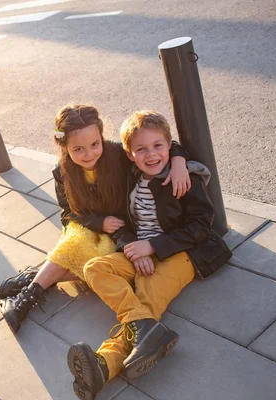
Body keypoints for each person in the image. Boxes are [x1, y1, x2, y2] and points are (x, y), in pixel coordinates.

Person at [67, 110, 232, 400]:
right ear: (130, 155)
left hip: (182, 254)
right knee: (94, 268)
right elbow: (121, 221)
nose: (151, 154)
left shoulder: (184, 179)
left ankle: (105, 364)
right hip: (142, 249)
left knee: (146, 293)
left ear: (169, 147)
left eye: (158, 146)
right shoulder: (130, 176)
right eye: (141, 149)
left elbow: (201, 228)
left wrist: (153, 247)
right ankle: (145, 328)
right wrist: (134, 246)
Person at [0, 105, 191, 333]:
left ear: (102, 137)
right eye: (78, 149)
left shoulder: (118, 155)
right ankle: (26, 299)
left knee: (97, 262)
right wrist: (99, 223)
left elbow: (158, 144)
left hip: (120, 232)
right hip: (86, 228)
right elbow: (68, 214)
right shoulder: (63, 172)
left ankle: (37, 278)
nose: (89, 154)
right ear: (64, 147)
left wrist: (179, 162)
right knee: (77, 243)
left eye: (95, 144)